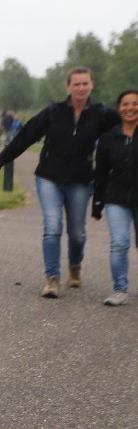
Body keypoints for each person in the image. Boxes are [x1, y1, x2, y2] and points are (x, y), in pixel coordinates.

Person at [0, 67, 119, 297]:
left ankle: (75, 266)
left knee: (77, 233)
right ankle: (52, 278)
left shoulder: (101, 115)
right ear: (68, 86)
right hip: (49, 177)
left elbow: (128, 127)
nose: (81, 88)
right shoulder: (53, 112)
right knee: (52, 226)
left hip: (80, 180)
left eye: (85, 83)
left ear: (92, 85)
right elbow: (26, 136)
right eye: (76, 84)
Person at [91, 89, 138, 306]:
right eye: (125, 104)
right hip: (116, 199)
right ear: (118, 108)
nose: (130, 108)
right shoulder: (108, 138)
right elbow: (100, 173)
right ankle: (120, 289)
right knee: (119, 243)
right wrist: (97, 203)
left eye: (135, 103)